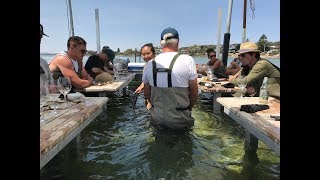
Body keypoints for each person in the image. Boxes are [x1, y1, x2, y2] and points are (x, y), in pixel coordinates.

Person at [143, 27, 198, 132]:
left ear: (161, 43)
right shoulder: (188, 60)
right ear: (178, 42)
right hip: (181, 119)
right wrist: (188, 108)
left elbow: (147, 94)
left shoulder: (149, 64)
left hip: (157, 118)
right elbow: (194, 93)